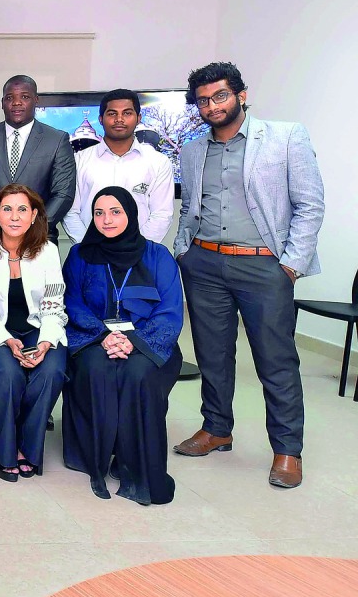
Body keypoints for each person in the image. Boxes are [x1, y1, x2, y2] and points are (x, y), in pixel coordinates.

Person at [172, 62, 325, 490]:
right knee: (212, 354)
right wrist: (184, 250)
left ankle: (287, 451)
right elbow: (191, 208)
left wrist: (290, 265)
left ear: (240, 94)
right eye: (203, 100)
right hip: (204, 264)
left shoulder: (285, 137)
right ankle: (217, 428)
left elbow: (310, 206)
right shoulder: (192, 149)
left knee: (275, 361)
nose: (211, 106)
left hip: (263, 266)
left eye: (219, 96)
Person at [62, 187, 183, 505]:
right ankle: (97, 458)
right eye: (99, 213)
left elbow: (170, 310)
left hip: (147, 341)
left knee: (138, 374)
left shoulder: (158, 256)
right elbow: (70, 302)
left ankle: (133, 461)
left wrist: (133, 342)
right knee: (97, 369)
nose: (106, 219)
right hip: (93, 338)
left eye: (115, 211)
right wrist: (103, 335)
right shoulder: (80, 255)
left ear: (131, 214)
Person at [0, 183, 67, 481]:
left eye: (22, 209)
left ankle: (29, 447)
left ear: (34, 215)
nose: (14, 216)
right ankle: (6, 450)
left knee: (51, 371)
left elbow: (54, 302)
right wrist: (9, 340)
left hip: (39, 327)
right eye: (7, 209)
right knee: (8, 374)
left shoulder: (47, 250)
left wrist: (47, 342)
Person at [0, 75, 76, 242]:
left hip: (40, 239)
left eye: (25, 97)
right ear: (2, 103)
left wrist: (33, 229)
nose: (16, 103)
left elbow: (63, 193)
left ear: (36, 100)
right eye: (9, 98)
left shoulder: (57, 140)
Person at [62, 89, 174, 243]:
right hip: (91, 254)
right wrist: (87, 247)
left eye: (127, 113)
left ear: (138, 118)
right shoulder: (79, 160)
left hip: (139, 257)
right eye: (112, 113)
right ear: (101, 119)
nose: (119, 119)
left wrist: (138, 250)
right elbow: (70, 211)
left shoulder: (158, 162)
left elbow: (161, 214)